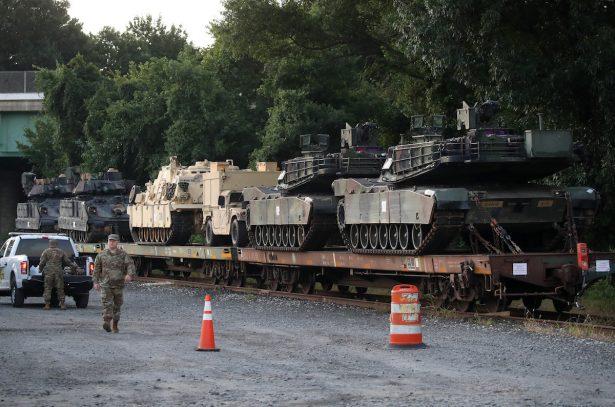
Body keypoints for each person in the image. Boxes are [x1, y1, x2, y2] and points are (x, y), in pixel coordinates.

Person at [93, 234, 136, 333]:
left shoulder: (123, 254)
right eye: (110, 241)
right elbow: (96, 270)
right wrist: (95, 282)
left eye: (113, 241)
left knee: (117, 306)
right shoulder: (101, 255)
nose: (111, 242)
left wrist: (129, 275)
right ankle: (107, 322)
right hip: (105, 284)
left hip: (118, 284)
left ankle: (115, 325)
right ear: (107, 242)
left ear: (117, 242)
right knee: (106, 304)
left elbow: (130, 265)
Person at [39, 239, 78, 310]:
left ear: (50, 244)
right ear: (56, 244)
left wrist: (40, 269)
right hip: (58, 272)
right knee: (60, 288)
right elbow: (67, 261)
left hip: (49, 272)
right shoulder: (61, 252)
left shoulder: (46, 251)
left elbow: (42, 262)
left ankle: (47, 305)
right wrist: (74, 266)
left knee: (48, 288)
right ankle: (62, 304)